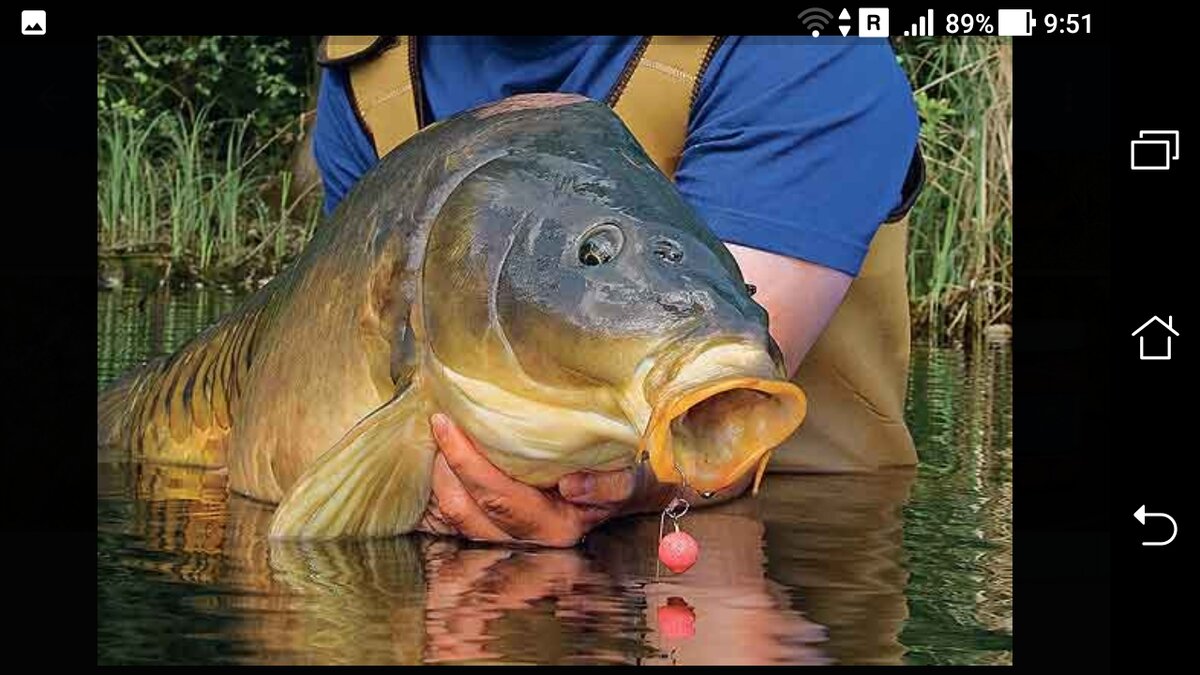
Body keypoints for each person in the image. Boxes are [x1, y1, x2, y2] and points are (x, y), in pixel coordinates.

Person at [311, 36, 924, 547]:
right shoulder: (369, 68)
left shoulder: (798, 57)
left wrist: (615, 486)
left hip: (782, 554)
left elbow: (714, 401)